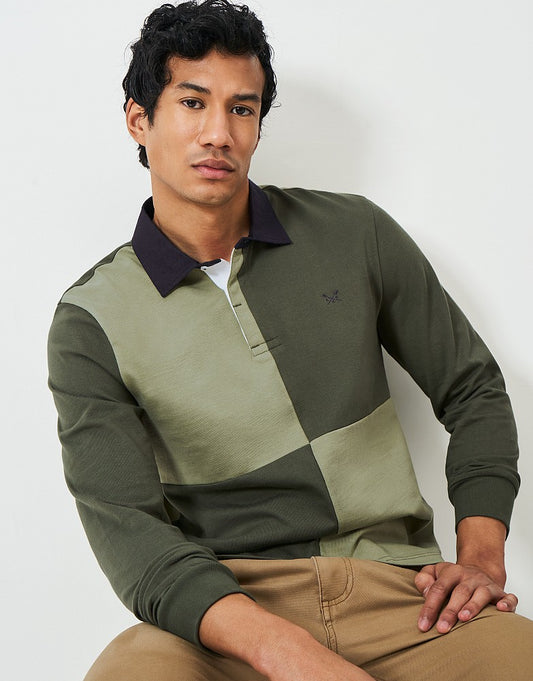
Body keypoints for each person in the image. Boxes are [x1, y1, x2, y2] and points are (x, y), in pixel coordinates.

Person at [47, 1, 533, 679]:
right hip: (224, 616)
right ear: (139, 118)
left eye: (241, 109)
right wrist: (289, 654)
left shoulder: (354, 233)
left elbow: (472, 386)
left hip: (404, 598)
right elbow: (129, 531)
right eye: (192, 102)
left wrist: (480, 556)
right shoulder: (91, 319)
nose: (219, 133)